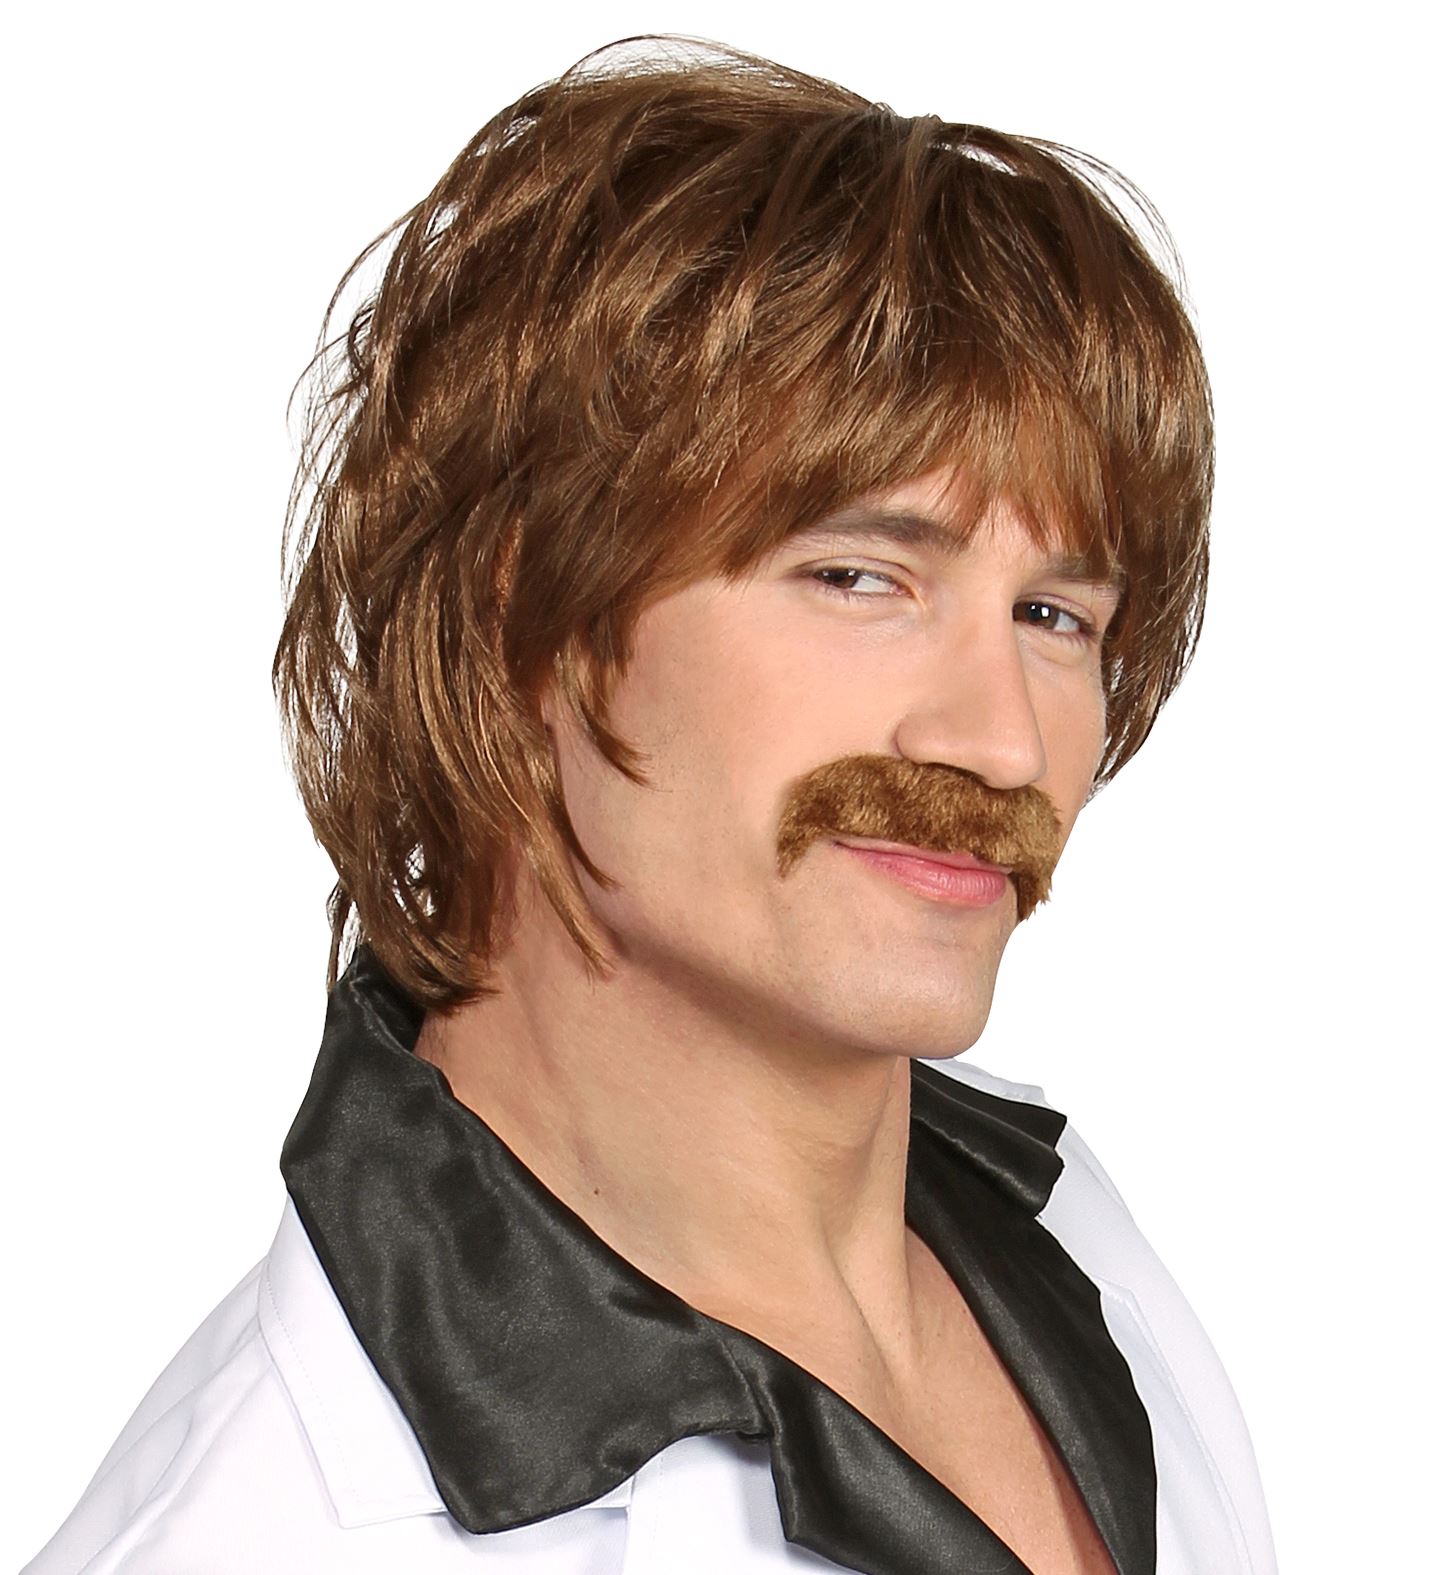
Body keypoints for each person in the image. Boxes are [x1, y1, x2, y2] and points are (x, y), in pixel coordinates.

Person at [23, 36, 1277, 1575]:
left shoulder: (1073, 1245)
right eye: (858, 578)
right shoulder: (261, 1537)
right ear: (526, 619)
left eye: (1053, 616)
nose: (1004, 744)